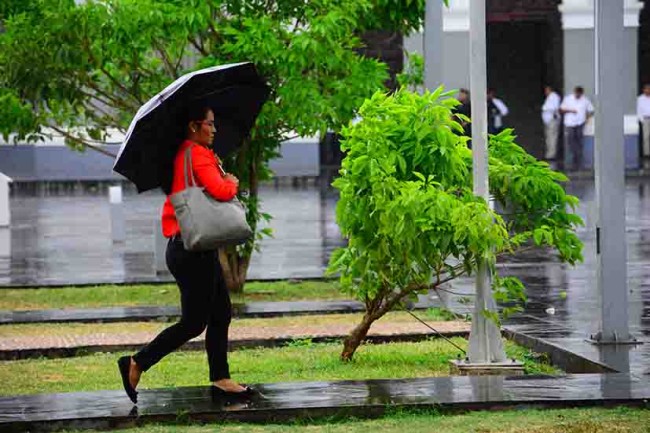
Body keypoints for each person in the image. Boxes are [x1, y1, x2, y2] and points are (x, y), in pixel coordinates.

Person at [117, 106, 253, 404]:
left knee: (220, 314)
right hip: (190, 251)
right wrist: (231, 181)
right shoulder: (197, 153)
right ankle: (137, 362)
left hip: (192, 248)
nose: (215, 130)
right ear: (194, 125)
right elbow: (220, 190)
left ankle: (221, 378)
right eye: (210, 124)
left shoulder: (185, 153)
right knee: (194, 322)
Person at [560, 86, 594, 170]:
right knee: (571, 140)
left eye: (579, 94)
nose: (578, 95)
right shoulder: (568, 99)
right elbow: (561, 110)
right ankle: (573, 158)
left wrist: (587, 118)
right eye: (577, 94)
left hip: (580, 123)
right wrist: (571, 111)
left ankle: (579, 161)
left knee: (579, 141)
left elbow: (591, 110)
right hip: (570, 123)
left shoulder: (585, 100)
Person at [541, 85, 561, 160]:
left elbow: (554, 107)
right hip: (548, 121)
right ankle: (549, 153)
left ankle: (551, 154)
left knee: (552, 137)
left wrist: (545, 108)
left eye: (547, 90)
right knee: (548, 137)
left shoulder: (554, 96)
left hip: (552, 120)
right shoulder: (549, 97)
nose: (545, 92)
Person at [637, 84, 650, 158]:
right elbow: (639, 110)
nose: (648, 90)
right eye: (647, 89)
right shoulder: (640, 99)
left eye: (649, 89)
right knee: (646, 137)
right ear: (644, 90)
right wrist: (641, 120)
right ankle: (647, 154)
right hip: (645, 119)